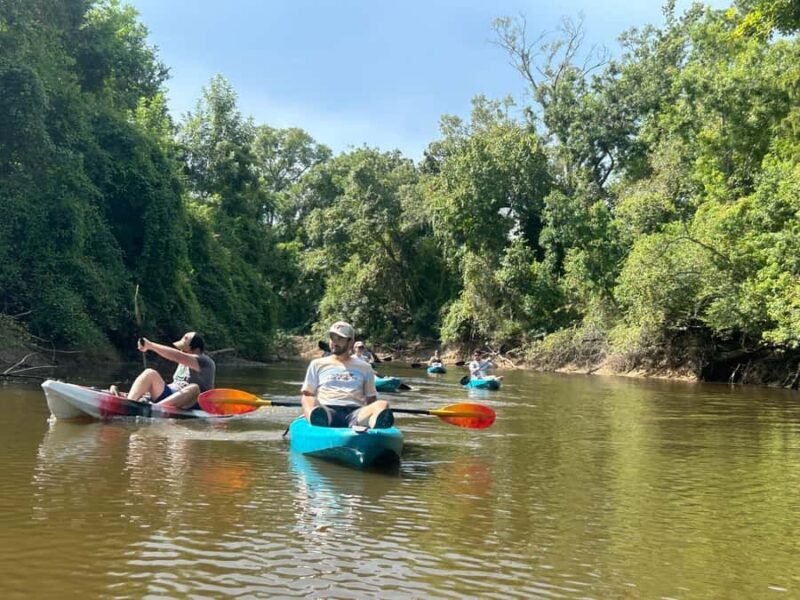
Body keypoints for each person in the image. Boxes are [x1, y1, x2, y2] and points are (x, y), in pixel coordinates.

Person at [301, 321, 393, 429]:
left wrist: (370, 411)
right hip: (327, 411)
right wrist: (310, 409)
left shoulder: (365, 367)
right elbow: (308, 393)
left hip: (355, 413)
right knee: (307, 398)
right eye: (332, 338)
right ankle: (317, 420)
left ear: (350, 342)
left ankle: (373, 426)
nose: (334, 342)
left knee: (382, 404)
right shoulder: (316, 364)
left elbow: (371, 398)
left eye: (340, 339)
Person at [111, 331, 216, 410]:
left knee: (194, 388)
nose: (181, 350)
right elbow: (176, 383)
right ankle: (130, 403)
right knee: (149, 373)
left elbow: (177, 356)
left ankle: (155, 408)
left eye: (184, 349)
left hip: (192, 402)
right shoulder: (184, 360)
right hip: (171, 397)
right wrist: (147, 393)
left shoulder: (204, 361)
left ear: (196, 349)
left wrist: (150, 345)